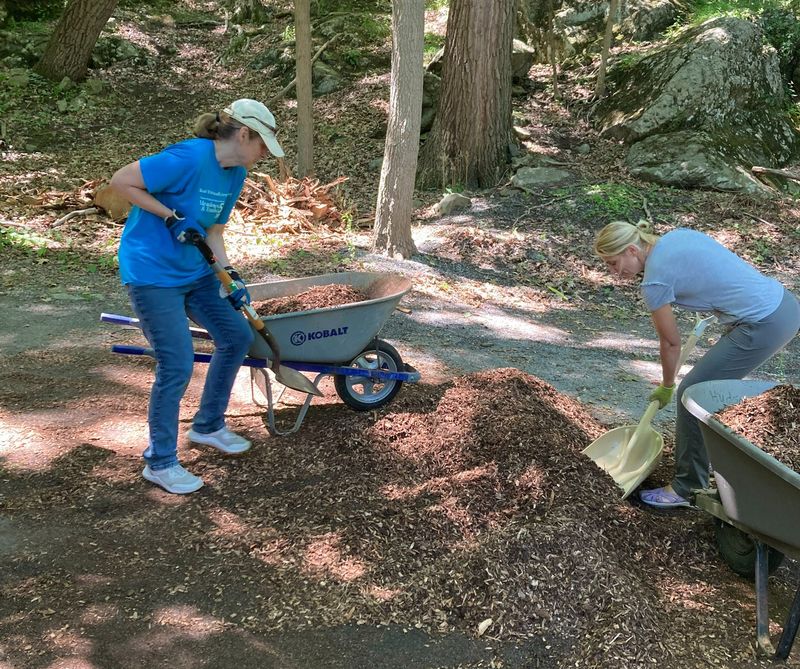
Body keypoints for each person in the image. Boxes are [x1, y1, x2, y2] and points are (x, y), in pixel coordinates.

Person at [110, 98, 285, 494]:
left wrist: (231, 276)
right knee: (177, 362)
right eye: (262, 146)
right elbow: (121, 181)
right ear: (244, 134)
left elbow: (214, 232)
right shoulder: (187, 158)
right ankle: (160, 462)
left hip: (196, 271)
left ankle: (207, 425)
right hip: (152, 273)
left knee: (236, 336)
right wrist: (169, 216)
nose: (263, 155)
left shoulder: (235, 174)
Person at [594, 220, 799, 508]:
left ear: (631, 250)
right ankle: (714, 463)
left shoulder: (654, 281)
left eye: (614, 263)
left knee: (692, 394)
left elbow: (670, 343)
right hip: (783, 304)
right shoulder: (675, 237)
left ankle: (687, 487)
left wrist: (667, 385)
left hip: (763, 323)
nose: (614, 273)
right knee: (710, 392)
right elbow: (715, 270)